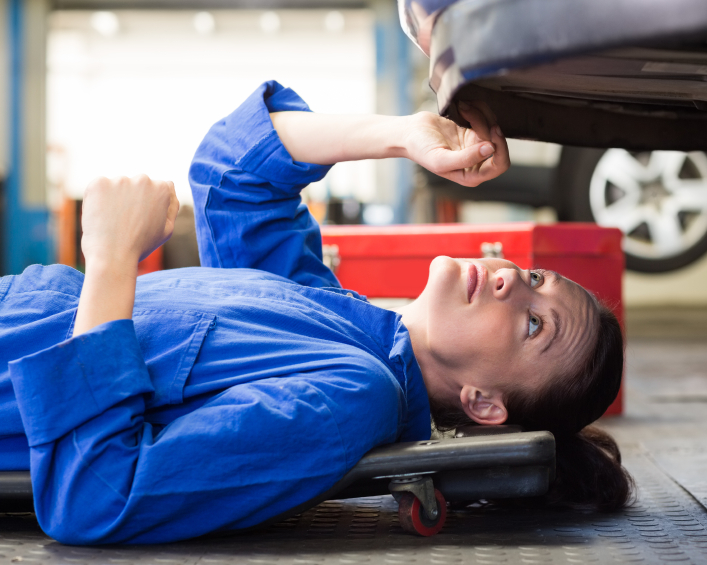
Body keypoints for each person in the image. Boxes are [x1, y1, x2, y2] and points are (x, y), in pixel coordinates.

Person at [0, 81, 629, 545]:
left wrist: (110, 261)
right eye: (540, 279)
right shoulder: (333, 312)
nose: (516, 280)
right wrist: (405, 135)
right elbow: (235, 170)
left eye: (533, 324)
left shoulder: (351, 397)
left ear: (484, 402)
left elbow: (97, 494)